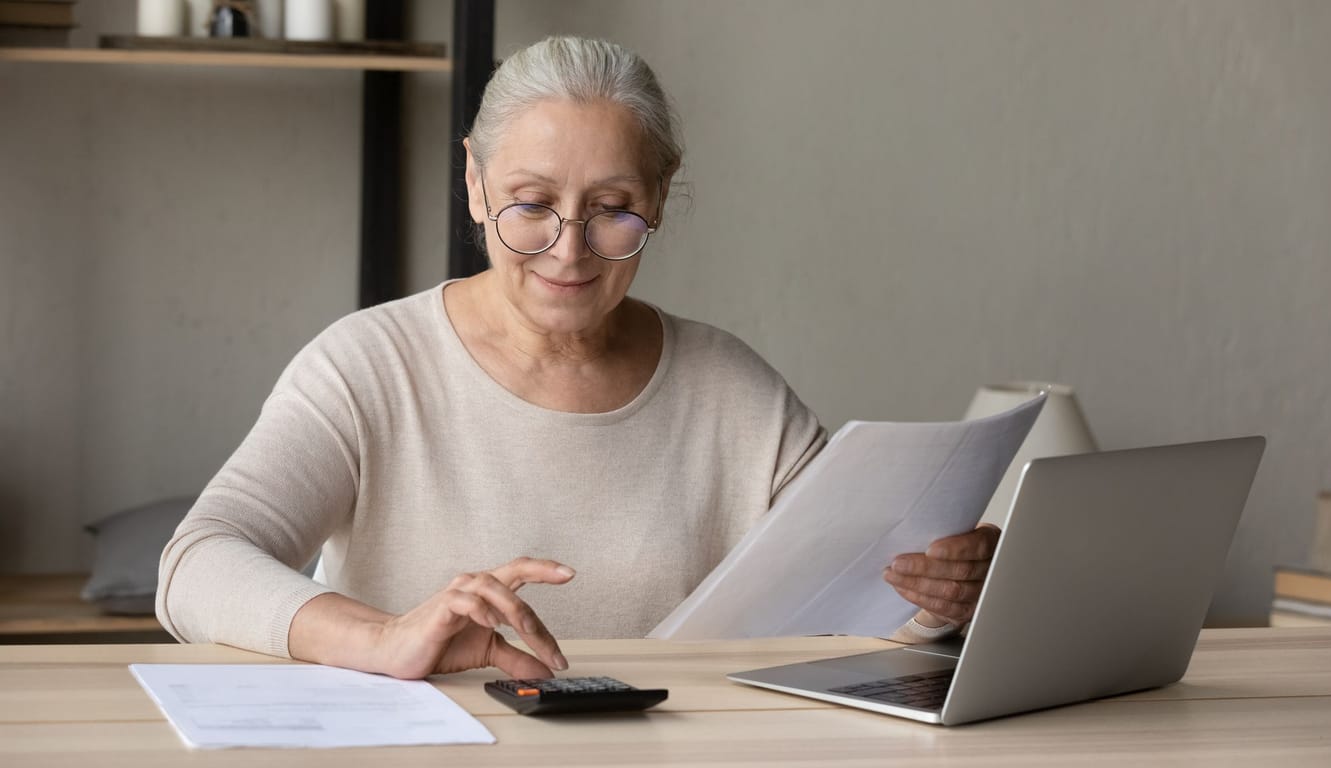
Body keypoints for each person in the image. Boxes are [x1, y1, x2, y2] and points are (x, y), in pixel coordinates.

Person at [156, 36, 1000, 681]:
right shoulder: (369, 367)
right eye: (531, 204)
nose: (568, 252)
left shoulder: (734, 391)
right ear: (476, 184)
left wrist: (940, 598)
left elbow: (844, 611)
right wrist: (381, 638)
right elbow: (197, 564)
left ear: (661, 195)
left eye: (612, 209)